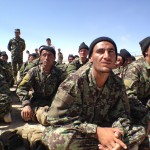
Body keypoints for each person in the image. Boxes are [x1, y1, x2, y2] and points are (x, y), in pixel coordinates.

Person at [42, 37, 145, 150]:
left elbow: (123, 115)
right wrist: (96, 131)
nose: (106, 56)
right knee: (56, 139)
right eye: (100, 51)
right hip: (79, 130)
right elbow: (54, 119)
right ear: (90, 58)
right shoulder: (74, 81)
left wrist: (117, 134)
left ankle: (111, 145)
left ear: (116, 58)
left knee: (140, 130)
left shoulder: (118, 84)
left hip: (103, 127)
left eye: (111, 52)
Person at [16, 46, 61, 123]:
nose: (47, 58)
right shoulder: (33, 71)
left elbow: (68, 89)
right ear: (40, 57)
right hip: (37, 103)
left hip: (54, 104)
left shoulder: (60, 73)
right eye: (44, 55)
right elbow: (21, 88)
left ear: (54, 58)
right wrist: (26, 104)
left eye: (50, 55)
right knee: (26, 115)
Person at [124, 36, 150, 149]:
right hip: (134, 114)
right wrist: (147, 116)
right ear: (146, 51)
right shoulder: (135, 68)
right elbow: (129, 96)